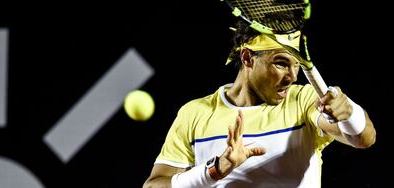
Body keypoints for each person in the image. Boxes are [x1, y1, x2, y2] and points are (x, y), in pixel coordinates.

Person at [142, 20, 376, 188]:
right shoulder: (194, 113)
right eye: (281, 63)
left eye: (296, 65)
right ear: (247, 58)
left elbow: (363, 138)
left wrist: (349, 114)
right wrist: (214, 171)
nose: (293, 76)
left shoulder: (302, 100)